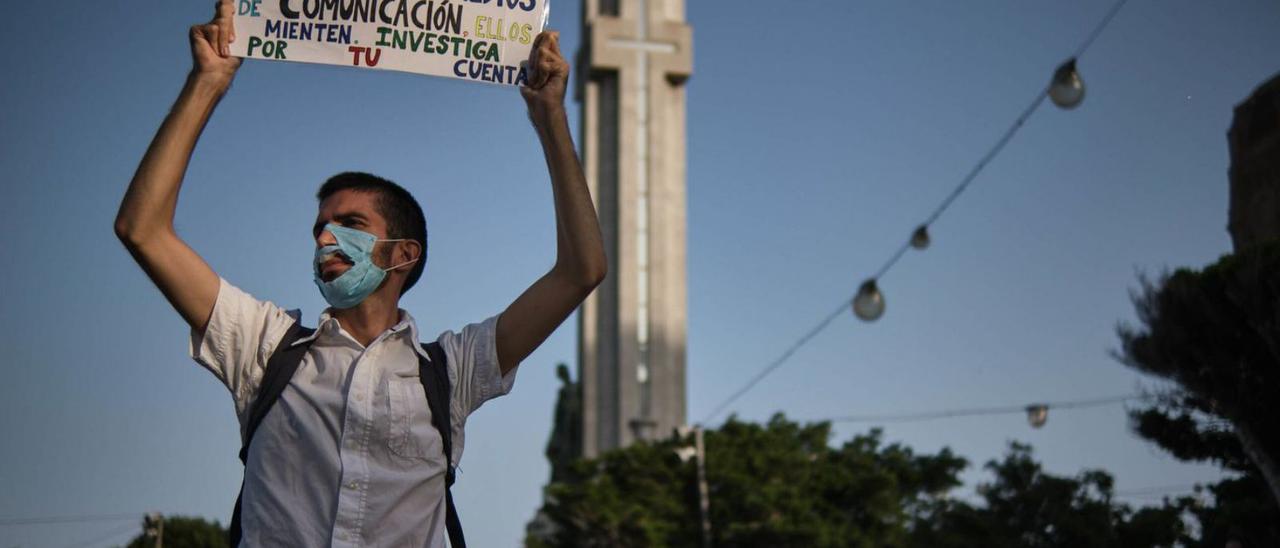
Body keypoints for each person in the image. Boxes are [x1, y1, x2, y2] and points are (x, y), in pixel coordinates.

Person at [113, 1, 606, 546]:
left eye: (349, 223)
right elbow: (144, 230)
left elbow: (582, 271)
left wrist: (550, 119)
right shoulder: (262, 348)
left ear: (402, 254)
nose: (325, 237)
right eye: (320, 226)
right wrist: (205, 84)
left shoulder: (452, 374)